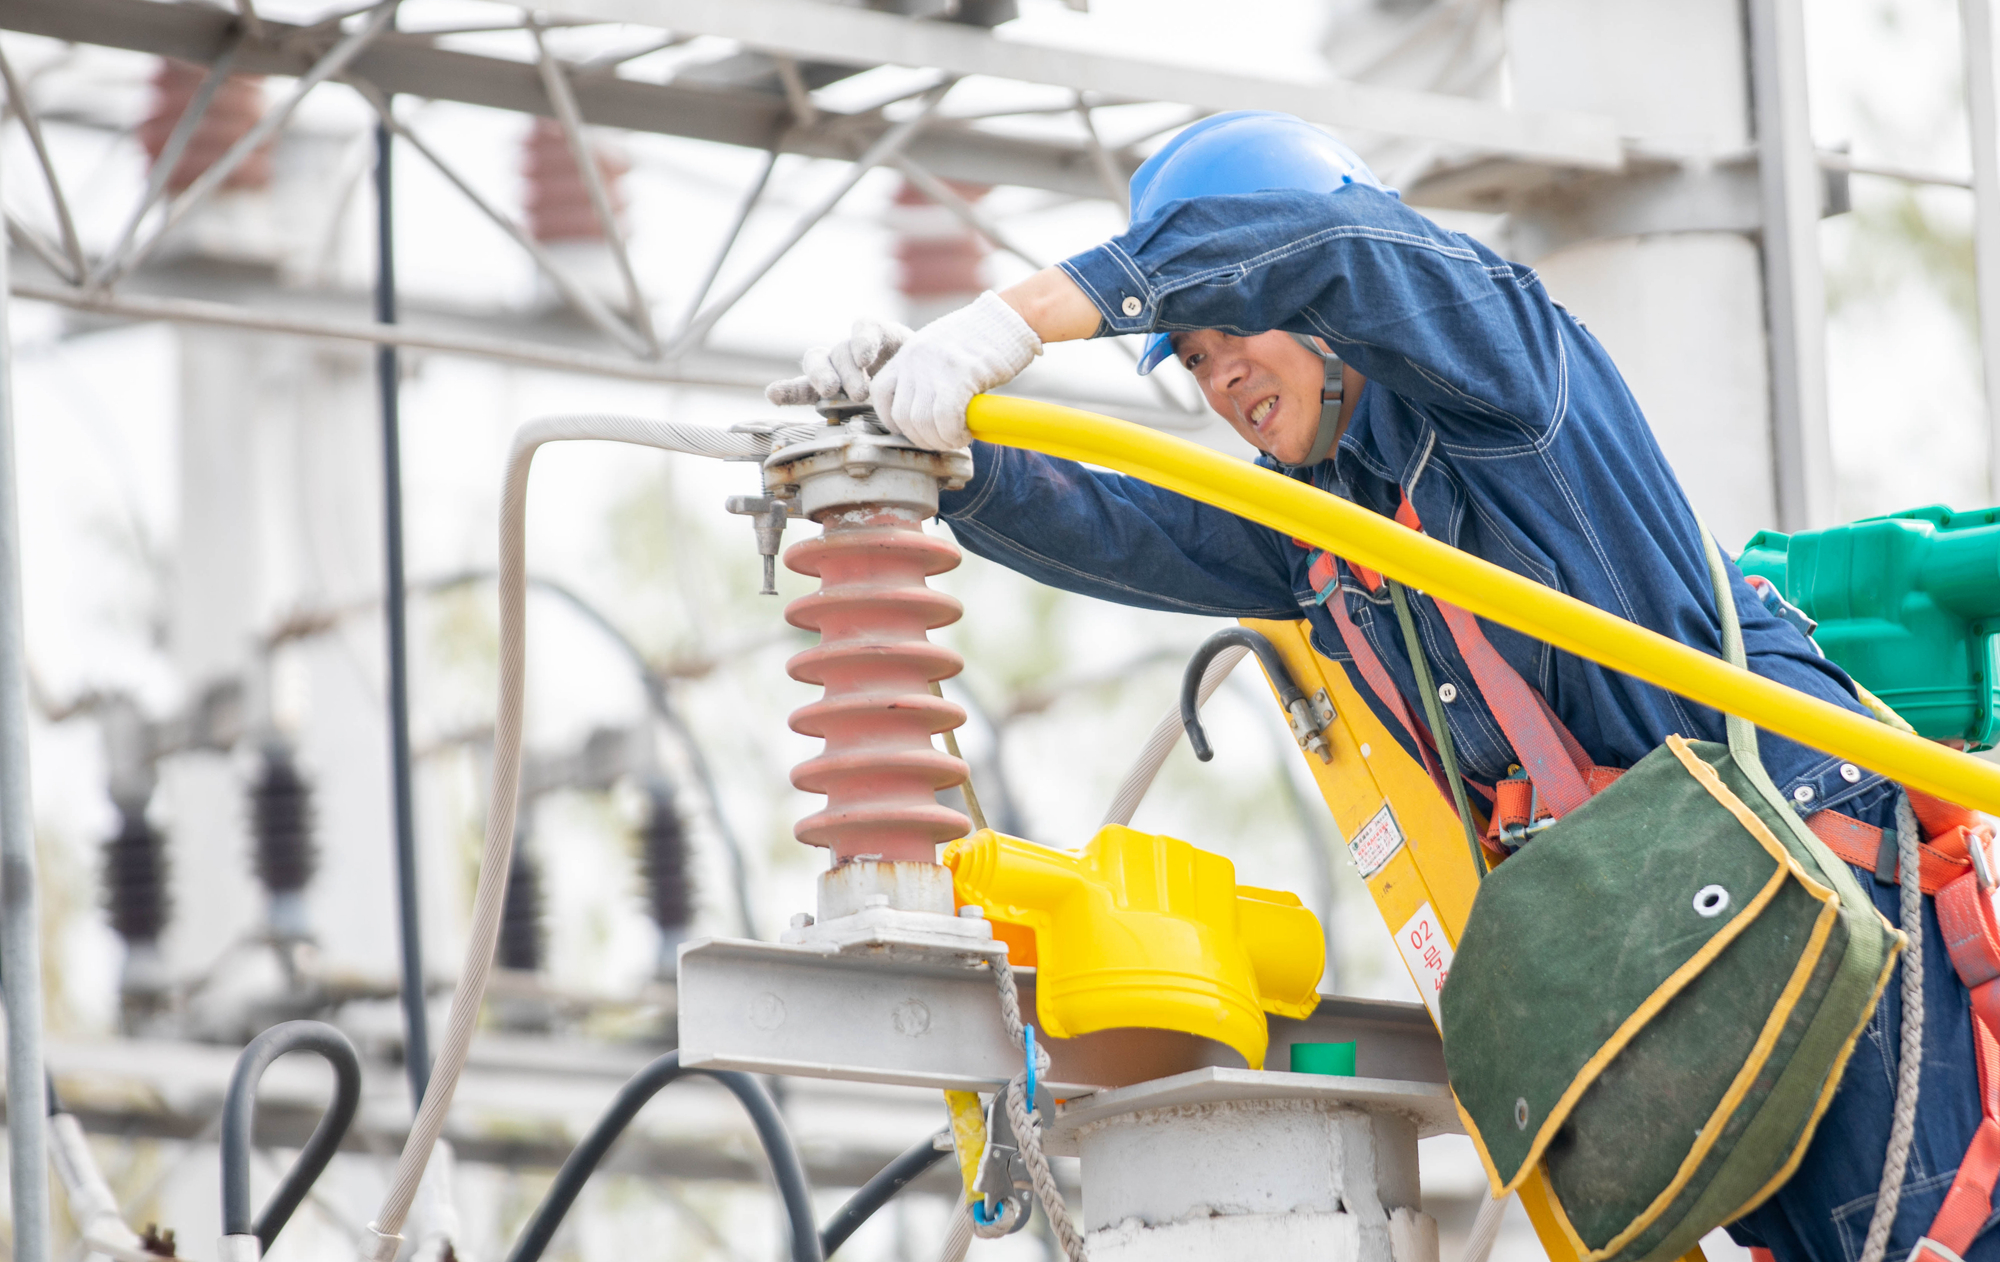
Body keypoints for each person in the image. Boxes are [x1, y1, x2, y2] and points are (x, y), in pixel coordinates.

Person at [768, 111, 1992, 1262]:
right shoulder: (1327, 536)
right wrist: (941, 456)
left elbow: (1342, 250)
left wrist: (1026, 314)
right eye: (1191, 358)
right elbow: (1132, 521)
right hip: (1682, 959)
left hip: (1812, 890)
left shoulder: (1505, 383)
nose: (1220, 374)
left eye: (1233, 328)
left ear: (1315, 300)